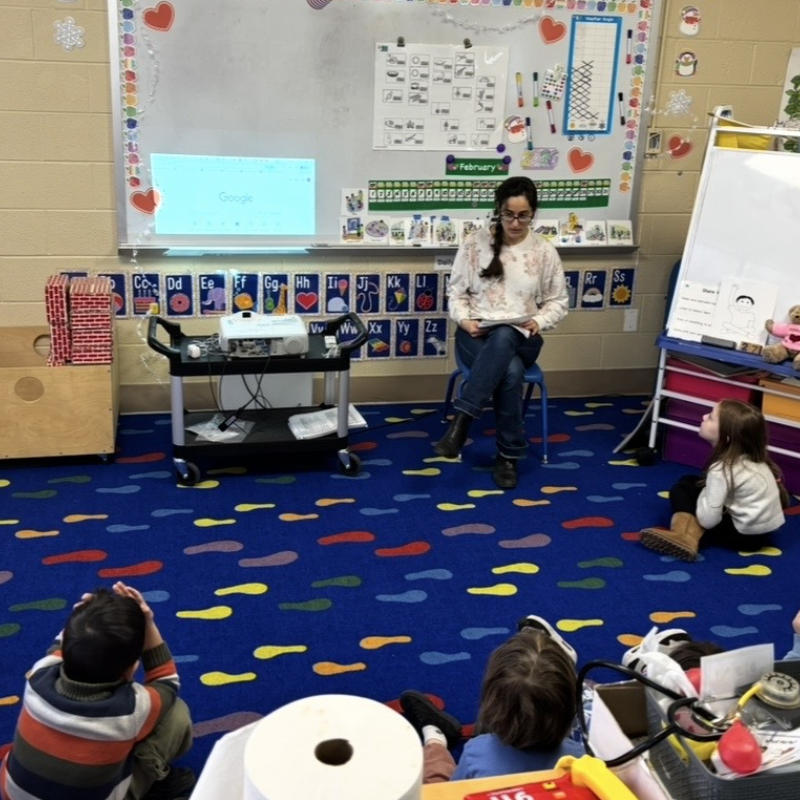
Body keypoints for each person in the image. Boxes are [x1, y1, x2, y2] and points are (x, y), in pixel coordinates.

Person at [0, 582, 195, 800]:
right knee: (176, 713)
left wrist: (86, 615)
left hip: (13, 795)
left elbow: (61, 644)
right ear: (131, 669)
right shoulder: (130, 710)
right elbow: (166, 680)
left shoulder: (39, 675)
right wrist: (147, 621)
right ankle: (153, 783)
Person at [435, 176, 568, 489]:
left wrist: (540, 322)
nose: (516, 222)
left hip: (524, 337)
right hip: (477, 334)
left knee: (508, 336)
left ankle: (462, 422)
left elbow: (558, 302)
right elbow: (456, 293)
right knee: (509, 370)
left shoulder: (544, 252)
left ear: (533, 213)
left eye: (524, 215)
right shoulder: (474, 244)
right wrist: (465, 320)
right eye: (509, 214)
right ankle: (508, 456)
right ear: (498, 211)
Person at [399, 615, 583, 783]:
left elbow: (456, 792)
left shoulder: (476, 753)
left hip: (483, 772)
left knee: (434, 780)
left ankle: (435, 736)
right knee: (537, 704)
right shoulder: (581, 758)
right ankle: (557, 674)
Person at [640, 398, 789, 561]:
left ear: (726, 438)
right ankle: (686, 534)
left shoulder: (722, 469)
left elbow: (708, 520)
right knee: (690, 480)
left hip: (743, 537)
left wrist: (704, 496)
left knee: (681, 490)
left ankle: (685, 537)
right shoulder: (756, 459)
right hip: (764, 534)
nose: (704, 417)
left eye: (710, 417)